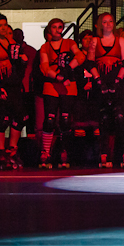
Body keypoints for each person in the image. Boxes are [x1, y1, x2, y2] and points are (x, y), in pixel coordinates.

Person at [39, 18, 85, 168]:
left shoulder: (70, 43)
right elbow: (45, 67)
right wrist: (59, 76)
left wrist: (67, 70)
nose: (58, 30)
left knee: (65, 119)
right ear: (49, 30)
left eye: (60, 27)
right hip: (52, 83)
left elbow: (80, 57)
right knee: (49, 119)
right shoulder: (45, 46)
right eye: (54, 27)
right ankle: (46, 152)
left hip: (68, 84)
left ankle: (64, 151)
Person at [87, 13, 124, 168]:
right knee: (104, 118)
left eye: (110, 21)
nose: (108, 24)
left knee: (120, 116)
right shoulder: (94, 41)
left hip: (116, 81)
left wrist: (118, 80)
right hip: (101, 82)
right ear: (99, 24)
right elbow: (90, 63)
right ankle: (104, 153)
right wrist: (99, 81)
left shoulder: (120, 40)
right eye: (104, 22)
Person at [0, 14, 28, 169]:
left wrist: (23, 62)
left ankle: (12, 149)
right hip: (0, 84)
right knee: (2, 120)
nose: (3, 28)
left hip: (14, 85)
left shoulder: (13, 43)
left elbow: (18, 66)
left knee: (20, 118)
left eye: (5, 25)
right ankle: (1, 152)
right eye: (0, 25)